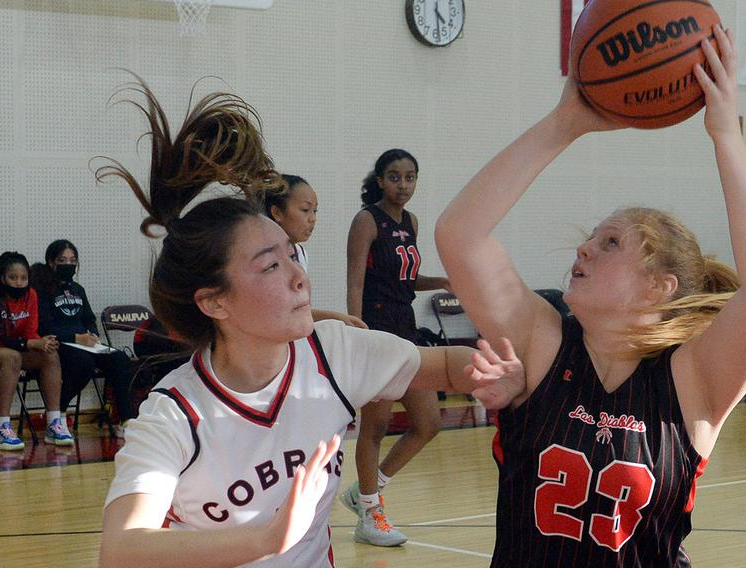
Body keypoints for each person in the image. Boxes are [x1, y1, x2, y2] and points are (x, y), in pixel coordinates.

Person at [96, 77, 519, 568]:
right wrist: (263, 540)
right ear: (215, 303)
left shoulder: (335, 351)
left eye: (290, 255)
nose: (299, 277)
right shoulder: (175, 413)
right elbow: (121, 550)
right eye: (271, 265)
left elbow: (447, 365)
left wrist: (496, 374)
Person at [436, 27, 746, 566]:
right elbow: (460, 234)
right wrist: (564, 126)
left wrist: (726, 136)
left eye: (610, 243)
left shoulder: (693, 379)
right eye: (593, 237)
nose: (583, 248)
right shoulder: (541, 342)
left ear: (658, 286)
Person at [341, 149, 452, 546]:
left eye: (409, 178)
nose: (402, 185)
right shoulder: (366, 220)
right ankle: (369, 516)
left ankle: (366, 491)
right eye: (394, 177)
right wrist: (357, 333)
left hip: (406, 326)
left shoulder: (411, 222)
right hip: (376, 326)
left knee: (428, 423)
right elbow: (355, 280)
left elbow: (405, 276)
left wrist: (438, 281)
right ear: (380, 179)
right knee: (376, 426)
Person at [31, 240, 137, 437]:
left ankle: (126, 419)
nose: (68, 264)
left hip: (85, 341)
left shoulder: (78, 289)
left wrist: (93, 333)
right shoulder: (41, 289)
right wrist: (75, 337)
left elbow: (88, 318)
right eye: (63, 260)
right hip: (61, 342)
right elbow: (42, 327)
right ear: (51, 262)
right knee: (83, 364)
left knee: (119, 358)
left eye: (72, 260)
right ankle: (57, 412)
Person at [263, 174, 366, 328]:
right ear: (276, 212)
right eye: (305, 210)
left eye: (315, 211)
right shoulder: (263, 257)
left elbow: (301, 311)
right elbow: (279, 312)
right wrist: (335, 317)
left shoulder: (300, 252)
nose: (312, 219)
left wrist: (339, 319)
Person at [0, 251, 68, 449]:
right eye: (13, 277)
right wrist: (30, 344)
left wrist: (42, 342)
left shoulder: (31, 295)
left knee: (49, 354)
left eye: (23, 278)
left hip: (12, 350)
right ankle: (1, 428)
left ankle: (54, 423)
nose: (18, 283)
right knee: (12, 357)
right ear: (2, 278)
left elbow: (31, 332)